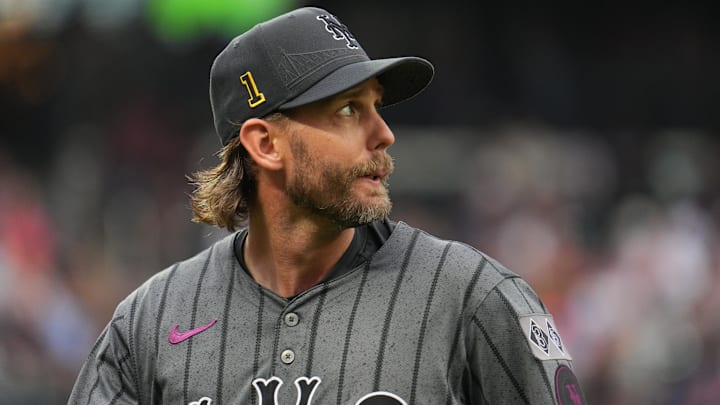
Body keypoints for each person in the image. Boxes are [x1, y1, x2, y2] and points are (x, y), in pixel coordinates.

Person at [68, 6, 585, 405]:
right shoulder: (150, 322)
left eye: (375, 107)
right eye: (347, 110)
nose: (383, 134)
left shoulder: (473, 297)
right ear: (265, 145)